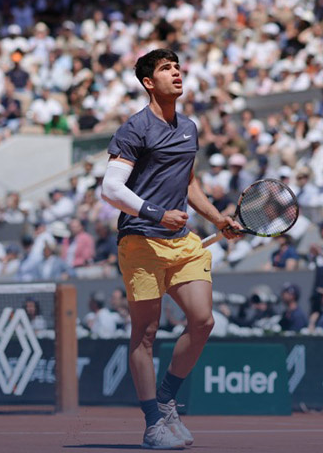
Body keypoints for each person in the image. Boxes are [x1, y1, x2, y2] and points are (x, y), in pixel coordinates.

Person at [99, 49, 241, 449]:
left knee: (203, 321)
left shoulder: (189, 127)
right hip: (140, 241)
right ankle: (151, 425)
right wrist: (157, 213)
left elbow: (189, 183)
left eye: (178, 67)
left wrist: (216, 218)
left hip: (183, 243)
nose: (176, 73)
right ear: (149, 82)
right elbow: (110, 189)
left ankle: (166, 401)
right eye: (166, 69)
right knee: (145, 335)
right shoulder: (134, 129)